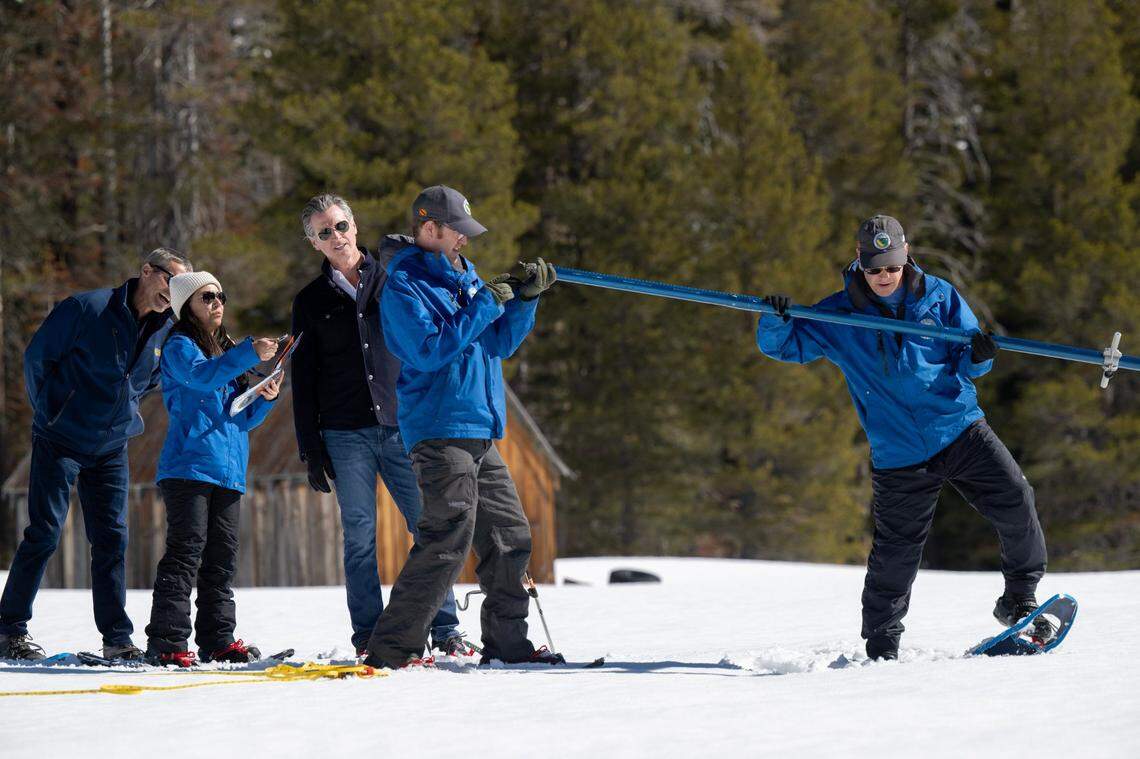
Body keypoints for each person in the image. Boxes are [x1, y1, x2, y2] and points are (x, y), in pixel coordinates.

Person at [757, 214, 1050, 661]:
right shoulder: (839, 316)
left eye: (891, 267)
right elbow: (785, 346)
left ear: (906, 254)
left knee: (1016, 498)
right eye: (874, 269)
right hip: (898, 452)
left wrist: (980, 355)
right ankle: (881, 643)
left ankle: (1019, 598)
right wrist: (775, 319)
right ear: (859, 260)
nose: (884, 277)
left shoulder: (939, 297)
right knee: (895, 555)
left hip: (959, 428)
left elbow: (968, 358)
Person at [363, 185, 559, 669]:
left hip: (479, 428)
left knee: (510, 536)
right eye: (457, 233)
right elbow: (428, 351)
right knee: (449, 536)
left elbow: (496, 344)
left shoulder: (463, 276)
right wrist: (483, 305)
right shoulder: (403, 286)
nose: (464, 243)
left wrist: (523, 303)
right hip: (438, 428)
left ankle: (508, 643)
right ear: (428, 229)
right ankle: (391, 648)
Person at [290, 193, 467, 657]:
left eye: (341, 226)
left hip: (403, 424)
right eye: (324, 232)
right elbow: (303, 377)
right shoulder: (310, 301)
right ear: (314, 243)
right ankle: (369, 635)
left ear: (355, 224)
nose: (336, 237)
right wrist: (311, 447)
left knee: (428, 528)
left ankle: (445, 629)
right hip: (344, 434)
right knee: (360, 539)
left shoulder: (394, 277)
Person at [0, 249, 192, 662]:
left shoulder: (166, 329)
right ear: (146, 272)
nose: (171, 294)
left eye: (179, 288)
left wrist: (127, 412)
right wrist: (50, 412)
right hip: (60, 439)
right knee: (45, 533)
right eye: (168, 282)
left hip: (110, 448)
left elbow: (151, 380)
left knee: (111, 540)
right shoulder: (87, 308)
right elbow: (37, 358)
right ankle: (10, 629)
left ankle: (117, 639)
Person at [143, 272, 280, 667]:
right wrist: (250, 354)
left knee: (221, 560)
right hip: (189, 467)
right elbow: (201, 380)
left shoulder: (226, 352)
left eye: (222, 294)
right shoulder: (180, 346)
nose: (218, 302)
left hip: (227, 470)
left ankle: (218, 639)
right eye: (208, 297)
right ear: (187, 305)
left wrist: (265, 398)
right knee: (186, 553)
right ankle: (167, 641)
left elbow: (240, 417)